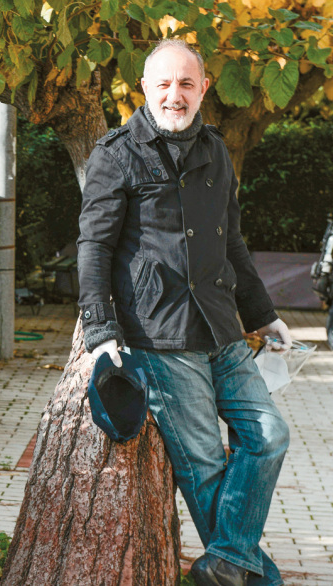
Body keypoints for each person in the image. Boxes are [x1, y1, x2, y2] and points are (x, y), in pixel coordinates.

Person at [77, 39, 291, 586]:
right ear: (144, 88)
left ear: (203, 89)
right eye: (164, 84)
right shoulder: (116, 152)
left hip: (222, 327)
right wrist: (101, 332)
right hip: (160, 332)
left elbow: (232, 242)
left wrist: (263, 315)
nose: (176, 94)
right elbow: (95, 247)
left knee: (269, 436)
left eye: (186, 84)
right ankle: (254, 576)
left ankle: (226, 565)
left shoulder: (215, 149)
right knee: (206, 471)